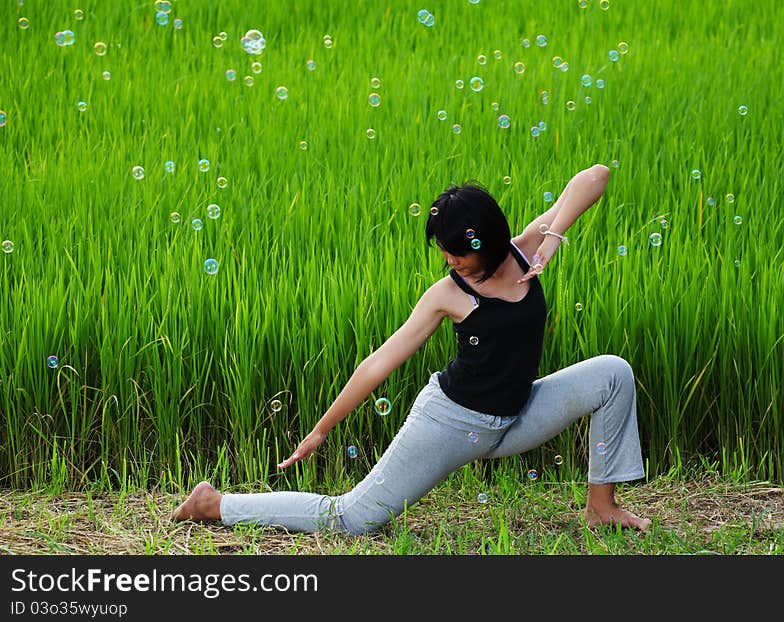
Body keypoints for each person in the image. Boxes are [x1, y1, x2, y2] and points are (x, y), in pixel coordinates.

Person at [172, 164, 651, 533]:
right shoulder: (449, 295)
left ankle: (601, 507)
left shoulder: (525, 250)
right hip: (452, 423)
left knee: (613, 373)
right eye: (444, 253)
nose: (449, 261)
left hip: (516, 415)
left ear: (486, 242)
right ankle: (214, 503)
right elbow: (379, 361)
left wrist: (553, 236)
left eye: (456, 252)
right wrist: (321, 429)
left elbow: (596, 177)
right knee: (350, 519)